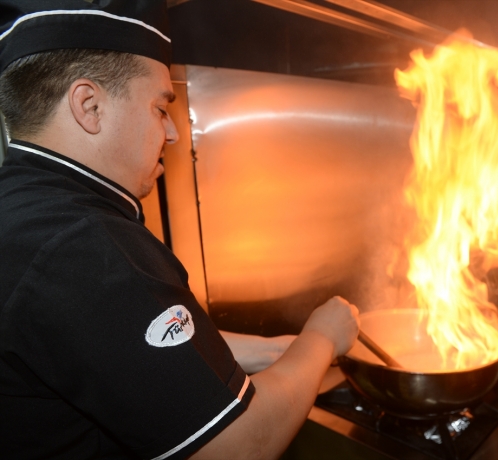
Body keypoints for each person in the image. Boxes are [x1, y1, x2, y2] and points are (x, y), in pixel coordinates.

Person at [0, 1, 359, 459]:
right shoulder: (85, 244)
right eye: (159, 107)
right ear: (89, 106)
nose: (171, 133)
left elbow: (119, 347)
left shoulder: (26, 209)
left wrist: (275, 351)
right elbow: (240, 445)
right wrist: (322, 336)